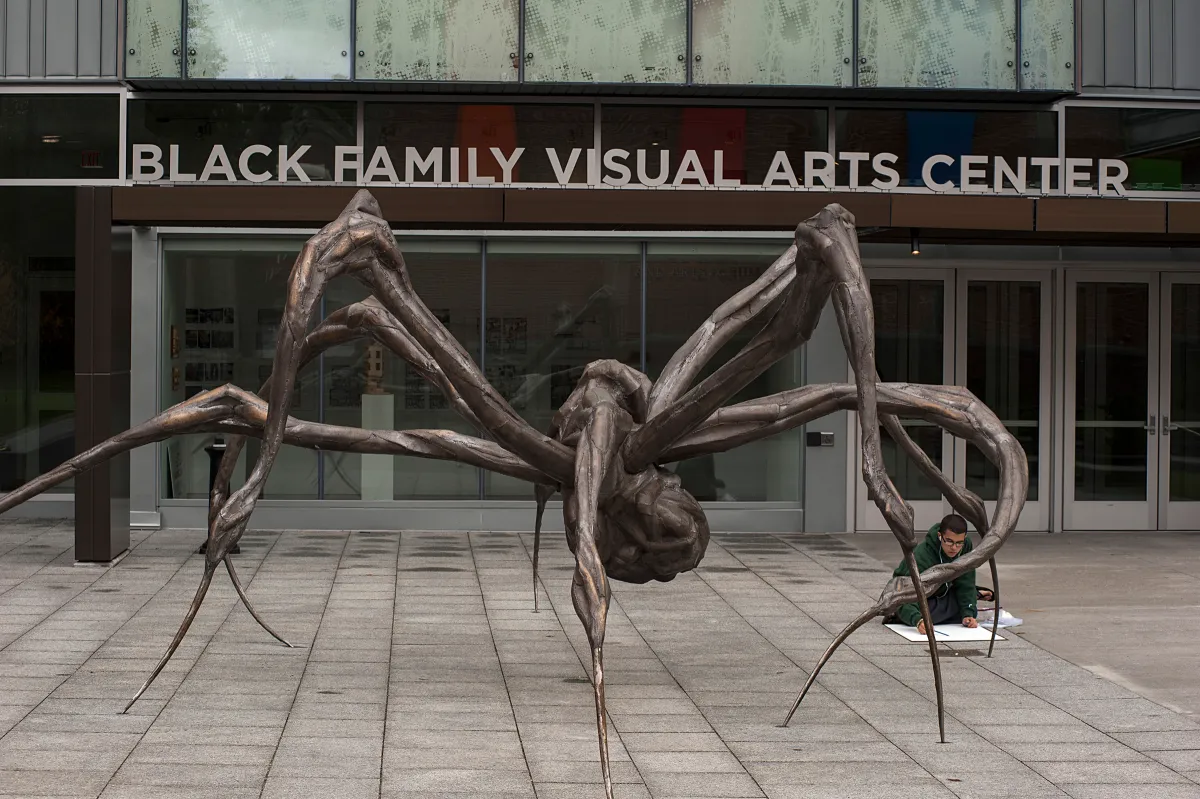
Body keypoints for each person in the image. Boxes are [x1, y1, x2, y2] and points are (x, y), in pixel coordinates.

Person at [890, 514, 993, 634]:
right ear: (940, 536)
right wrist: (917, 620)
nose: (954, 548)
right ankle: (901, 615)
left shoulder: (965, 546)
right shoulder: (923, 556)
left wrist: (968, 613)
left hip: (942, 591)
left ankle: (972, 596)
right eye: (949, 541)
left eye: (959, 542)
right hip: (910, 595)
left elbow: (966, 581)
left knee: (966, 608)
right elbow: (906, 594)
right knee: (925, 614)